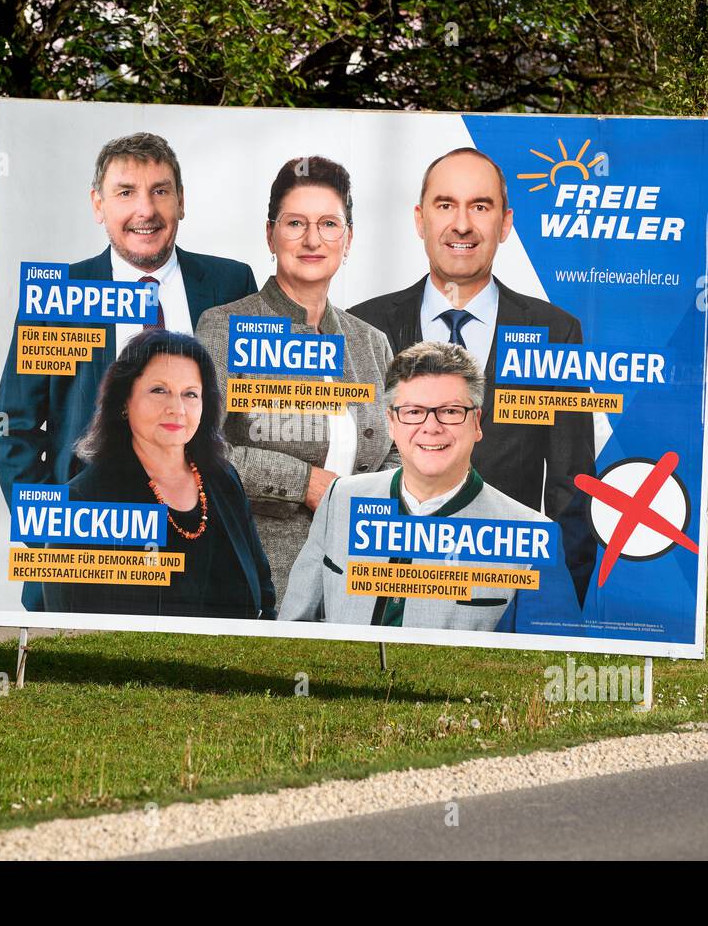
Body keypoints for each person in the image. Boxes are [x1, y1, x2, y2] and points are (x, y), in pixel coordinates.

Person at [0, 131, 258, 609]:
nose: (146, 210)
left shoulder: (230, 283)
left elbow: (250, 411)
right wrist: (50, 531)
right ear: (98, 205)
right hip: (92, 543)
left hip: (205, 544)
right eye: (125, 192)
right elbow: (15, 428)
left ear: (181, 201)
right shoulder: (61, 297)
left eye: (160, 190)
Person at [348, 147, 596, 605]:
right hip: (385, 586)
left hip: (504, 590)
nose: (462, 224)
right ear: (421, 220)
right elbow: (346, 465)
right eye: (446, 205)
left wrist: (565, 608)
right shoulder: (362, 327)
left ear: (504, 224)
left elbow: (571, 484)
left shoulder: (556, 333)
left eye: (480, 206)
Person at [196, 156, 397, 602]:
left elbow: (400, 445)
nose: (312, 239)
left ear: (348, 241)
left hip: (359, 571)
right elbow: (199, 447)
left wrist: (379, 501)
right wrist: (304, 483)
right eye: (295, 223)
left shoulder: (370, 342)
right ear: (270, 234)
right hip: (258, 572)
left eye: (329, 224)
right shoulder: (224, 327)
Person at [279, 342, 579, 631]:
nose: (431, 426)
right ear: (391, 423)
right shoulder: (340, 500)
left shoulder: (535, 536)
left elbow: (545, 663)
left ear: (476, 423)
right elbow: (292, 632)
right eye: (413, 412)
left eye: (449, 411)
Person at [41, 330, 275, 620]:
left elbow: (264, 593)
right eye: (159, 390)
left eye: (190, 394)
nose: (176, 409)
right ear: (124, 401)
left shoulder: (224, 479)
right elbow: (67, 624)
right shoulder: (83, 500)